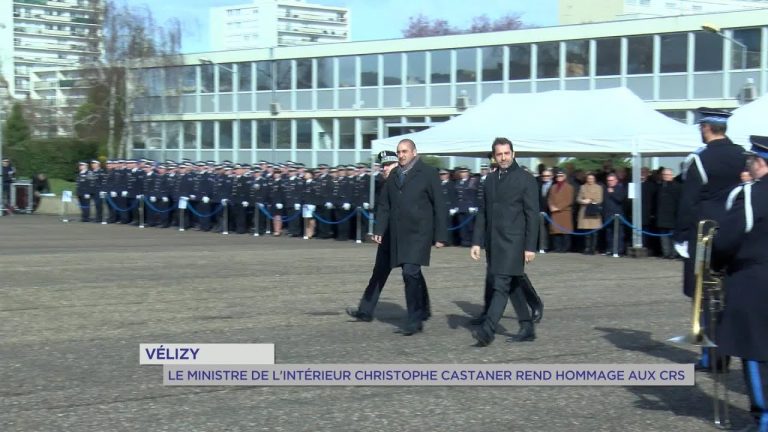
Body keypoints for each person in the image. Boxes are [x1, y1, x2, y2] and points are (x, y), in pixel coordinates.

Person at [674, 108, 747, 370]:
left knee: (703, 295)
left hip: (703, 234)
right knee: (727, 293)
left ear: (706, 127)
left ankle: (712, 357)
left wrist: (681, 235)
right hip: (736, 229)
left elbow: (689, 202)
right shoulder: (743, 156)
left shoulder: (699, 159)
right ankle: (726, 352)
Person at [712, 135, 768, 432]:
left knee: (756, 351)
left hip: (754, 281)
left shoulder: (752, 195)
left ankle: (764, 418)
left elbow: (725, 240)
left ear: (761, 162)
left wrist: (714, 264)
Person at [373, 139, 448, 336]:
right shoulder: (394, 175)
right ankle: (422, 309)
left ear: (414, 152)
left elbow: (440, 205)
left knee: (410, 272)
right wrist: (379, 230)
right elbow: (384, 205)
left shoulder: (429, 173)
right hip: (399, 233)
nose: (401, 155)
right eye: (399, 152)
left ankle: (414, 320)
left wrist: (441, 235)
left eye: (405, 151)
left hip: (419, 233)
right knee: (412, 273)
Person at [470, 137, 539, 347]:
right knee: (514, 285)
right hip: (493, 243)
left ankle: (487, 330)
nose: (503, 157)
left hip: (514, 243)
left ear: (513, 154)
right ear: (494, 156)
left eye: (506, 153)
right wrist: (476, 242)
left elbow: (532, 215)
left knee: (501, 285)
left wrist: (530, 246)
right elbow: (483, 213)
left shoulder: (525, 179)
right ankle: (527, 327)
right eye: (499, 154)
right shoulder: (489, 181)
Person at [346, 151, 400, 322]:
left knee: (412, 275)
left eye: (388, 164)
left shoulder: (406, 183)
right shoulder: (383, 183)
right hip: (386, 236)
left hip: (404, 237)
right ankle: (365, 310)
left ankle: (421, 310)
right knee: (378, 273)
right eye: (382, 165)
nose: (384, 168)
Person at [655, 168, 682, 259]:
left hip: (673, 215)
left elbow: (679, 202)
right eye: (664, 175)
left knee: (673, 236)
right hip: (662, 216)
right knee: (663, 236)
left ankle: (674, 253)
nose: (666, 176)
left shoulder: (678, 187)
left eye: (668, 175)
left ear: (672, 175)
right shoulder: (659, 187)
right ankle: (666, 253)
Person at [548, 169, 575, 253]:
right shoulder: (553, 187)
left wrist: (558, 207)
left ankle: (565, 248)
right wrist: (551, 206)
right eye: (558, 176)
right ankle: (557, 247)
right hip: (554, 212)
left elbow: (569, 200)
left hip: (564, 212)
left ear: (564, 177)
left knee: (565, 231)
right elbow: (550, 198)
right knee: (556, 232)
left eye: (561, 176)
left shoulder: (569, 187)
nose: (559, 177)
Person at [576, 172, 603, 254]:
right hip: (584, 211)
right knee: (586, 233)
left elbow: (599, 199)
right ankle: (587, 248)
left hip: (594, 211)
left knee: (594, 233)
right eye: (589, 178)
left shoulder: (598, 187)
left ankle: (593, 248)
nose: (590, 180)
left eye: (592, 179)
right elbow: (578, 198)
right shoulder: (582, 187)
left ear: (594, 179)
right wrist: (582, 201)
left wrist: (590, 200)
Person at [603, 173, 627, 255]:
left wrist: (612, 193)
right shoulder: (605, 189)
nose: (610, 182)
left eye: (612, 180)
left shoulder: (620, 188)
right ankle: (610, 249)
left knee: (618, 234)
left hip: (617, 216)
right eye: (608, 180)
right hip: (607, 215)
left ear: (616, 180)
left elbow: (620, 199)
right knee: (608, 234)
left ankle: (619, 250)